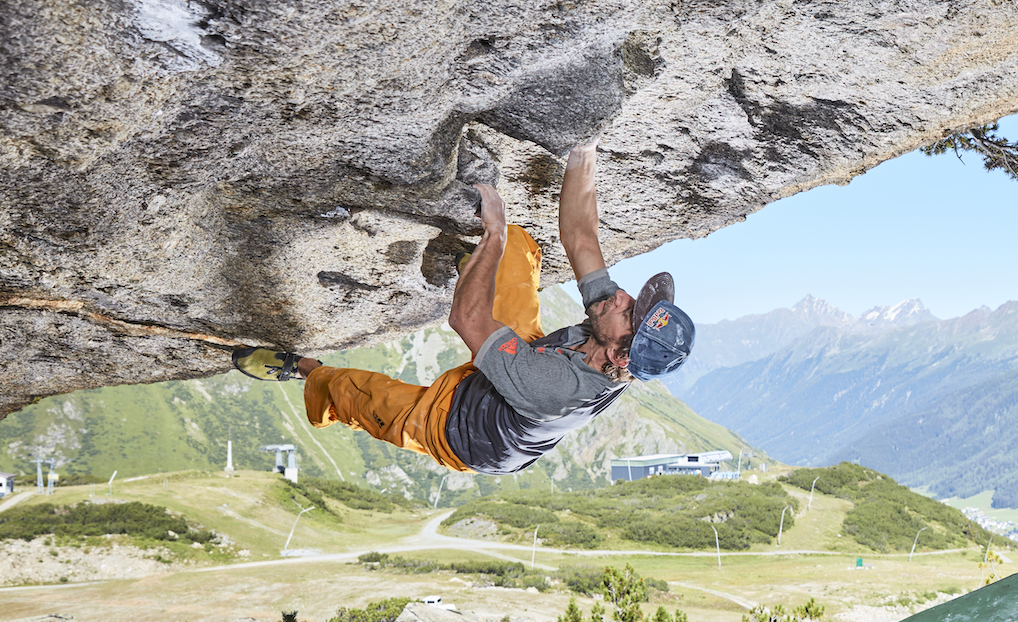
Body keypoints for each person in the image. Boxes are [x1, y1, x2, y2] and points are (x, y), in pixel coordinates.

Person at [228, 142, 694, 475]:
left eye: (631, 312)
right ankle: (478, 270)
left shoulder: (558, 387)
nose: (623, 296)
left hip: (463, 427)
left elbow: (465, 320)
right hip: (528, 362)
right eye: (637, 300)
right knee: (517, 251)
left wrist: (493, 231)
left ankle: (305, 371)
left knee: (365, 396)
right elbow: (581, 237)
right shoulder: (611, 330)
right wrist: (584, 148)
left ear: (617, 355)